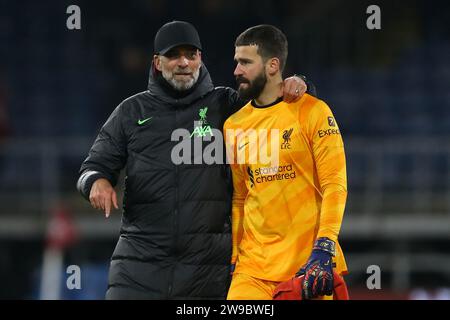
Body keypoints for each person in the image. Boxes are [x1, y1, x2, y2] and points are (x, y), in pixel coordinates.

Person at [77, 20, 312, 299]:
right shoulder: (131, 111)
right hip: (138, 270)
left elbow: (276, 108)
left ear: (200, 59)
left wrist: (298, 85)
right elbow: (93, 166)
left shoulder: (227, 105)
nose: (183, 62)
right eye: (174, 55)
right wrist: (97, 182)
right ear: (157, 62)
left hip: (207, 274)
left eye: (191, 54)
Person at [224, 24, 348, 300]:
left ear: (273, 65)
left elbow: (335, 185)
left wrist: (325, 246)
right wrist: (235, 257)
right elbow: (241, 198)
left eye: (245, 62)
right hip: (252, 270)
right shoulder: (233, 126)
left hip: (307, 266)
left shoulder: (313, 111)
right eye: (237, 62)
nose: (237, 71)